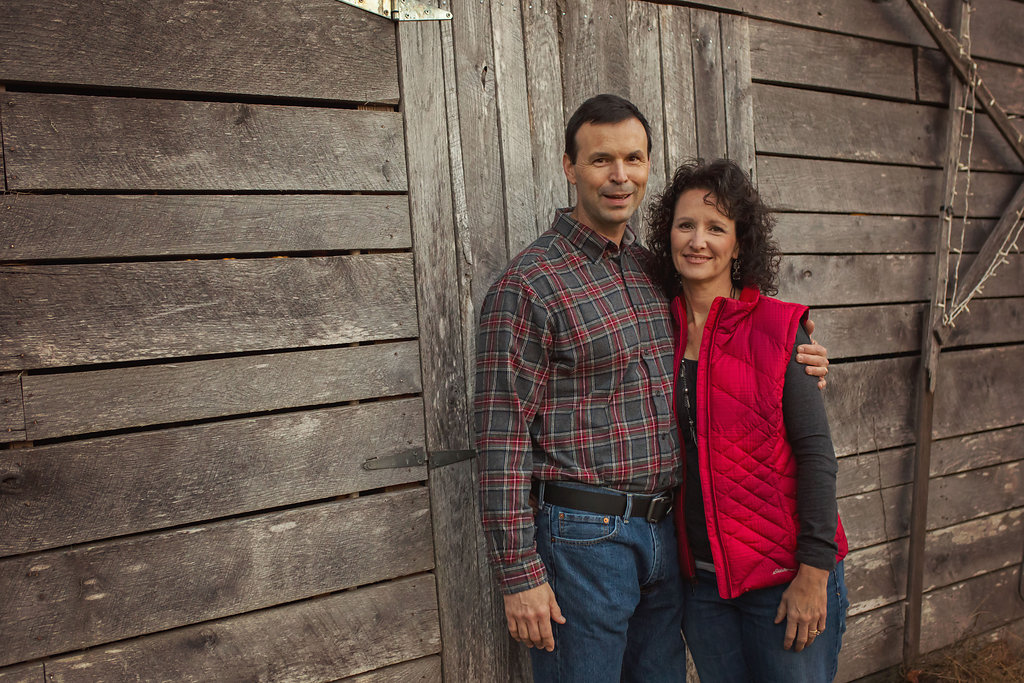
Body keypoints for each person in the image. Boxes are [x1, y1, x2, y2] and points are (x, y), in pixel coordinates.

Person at [474, 95, 829, 683]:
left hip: (665, 543)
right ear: (569, 166)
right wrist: (519, 574)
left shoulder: (651, 271)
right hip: (583, 540)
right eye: (601, 160)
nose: (620, 176)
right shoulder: (530, 286)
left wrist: (798, 354)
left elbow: (724, 344)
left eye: (634, 159)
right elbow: (500, 439)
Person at [646, 158, 849, 682]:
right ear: (668, 234)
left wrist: (813, 574)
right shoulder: (653, 331)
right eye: (686, 225)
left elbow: (817, 458)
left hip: (785, 583)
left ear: (739, 245)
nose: (698, 240)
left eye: (717, 228)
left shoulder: (780, 330)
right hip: (705, 590)